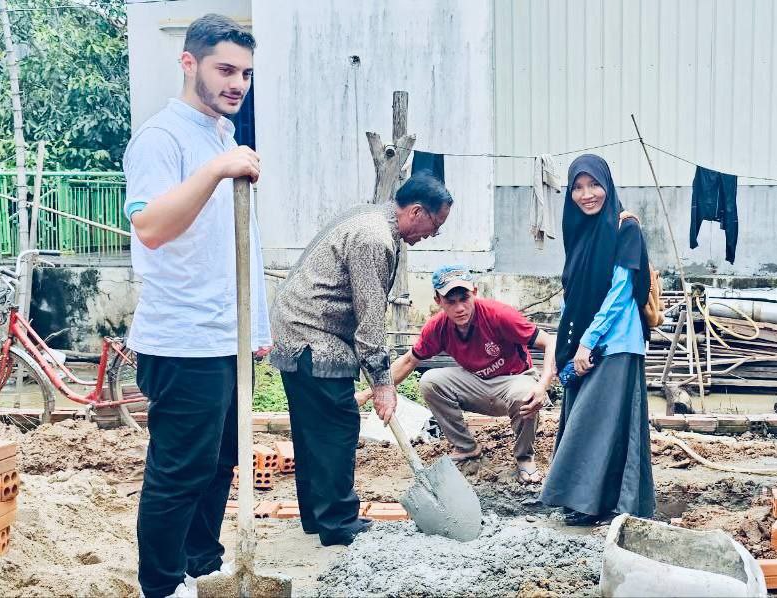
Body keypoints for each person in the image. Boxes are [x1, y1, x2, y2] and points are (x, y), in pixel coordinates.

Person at [122, 14, 270, 598]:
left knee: (220, 463)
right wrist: (213, 170)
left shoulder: (221, 136)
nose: (238, 84)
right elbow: (152, 227)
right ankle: (159, 586)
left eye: (246, 74)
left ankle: (199, 565)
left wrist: (254, 327)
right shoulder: (162, 139)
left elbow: (230, 246)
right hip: (183, 340)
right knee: (181, 470)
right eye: (225, 70)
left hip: (226, 337)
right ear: (189, 63)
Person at [269, 173, 453, 546]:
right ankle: (337, 521)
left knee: (312, 429)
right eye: (435, 225)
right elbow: (370, 321)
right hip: (314, 336)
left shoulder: (370, 219)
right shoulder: (375, 238)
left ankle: (317, 517)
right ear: (417, 212)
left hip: (294, 330)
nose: (432, 235)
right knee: (337, 425)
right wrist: (383, 385)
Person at [539, 154, 656, 526]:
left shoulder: (626, 228)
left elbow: (621, 292)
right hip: (584, 343)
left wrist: (588, 342)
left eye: (594, 185)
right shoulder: (580, 231)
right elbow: (573, 295)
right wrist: (569, 345)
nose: (587, 194)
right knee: (589, 421)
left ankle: (604, 504)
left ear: (608, 185)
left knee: (598, 422)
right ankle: (585, 501)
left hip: (616, 343)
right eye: (578, 187)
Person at [358, 265, 556, 483]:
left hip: (513, 381)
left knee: (526, 393)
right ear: (438, 301)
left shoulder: (498, 315)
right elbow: (408, 361)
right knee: (430, 381)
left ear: (475, 292)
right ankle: (466, 448)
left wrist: (543, 385)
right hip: (476, 384)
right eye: (451, 301)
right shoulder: (438, 327)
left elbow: (550, 342)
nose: (459, 308)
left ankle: (525, 458)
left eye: (464, 298)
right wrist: (367, 394)